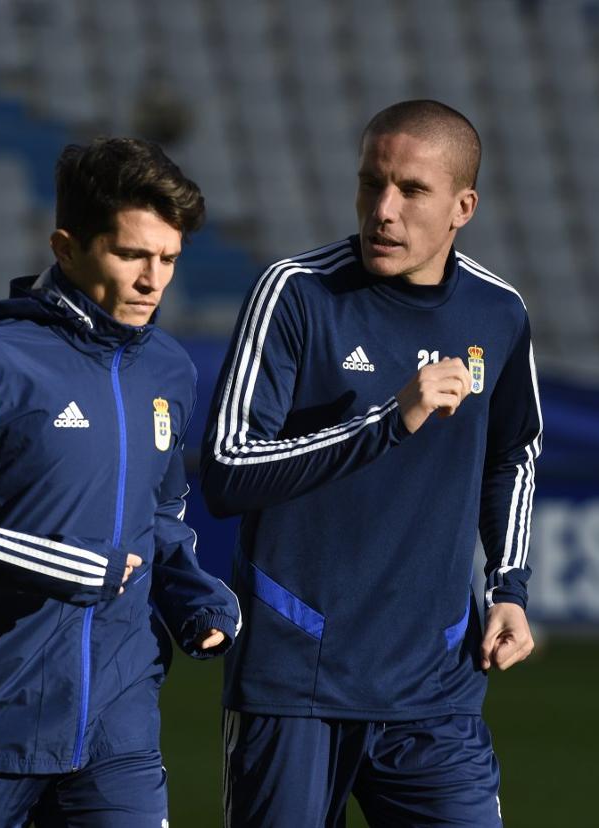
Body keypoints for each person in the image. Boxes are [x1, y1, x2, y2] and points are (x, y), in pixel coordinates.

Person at [0, 137, 240, 827]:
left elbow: (160, 514)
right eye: (131, 255)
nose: (152, 281)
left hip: (119, 727)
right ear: (66, 249)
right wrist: (64, 565)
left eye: (169, 260)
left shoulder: (170, 369)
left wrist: (193, 594)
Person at [202, 100, 543, 827]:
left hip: (435, 687)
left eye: (411, 191)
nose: (383, 210)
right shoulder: (295, 293)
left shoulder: (499, 314)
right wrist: (389, 421)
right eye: (370, 184)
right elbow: (228, 471)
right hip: (295, 680)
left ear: (463, 206)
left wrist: (509, 587)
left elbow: (512, 454)